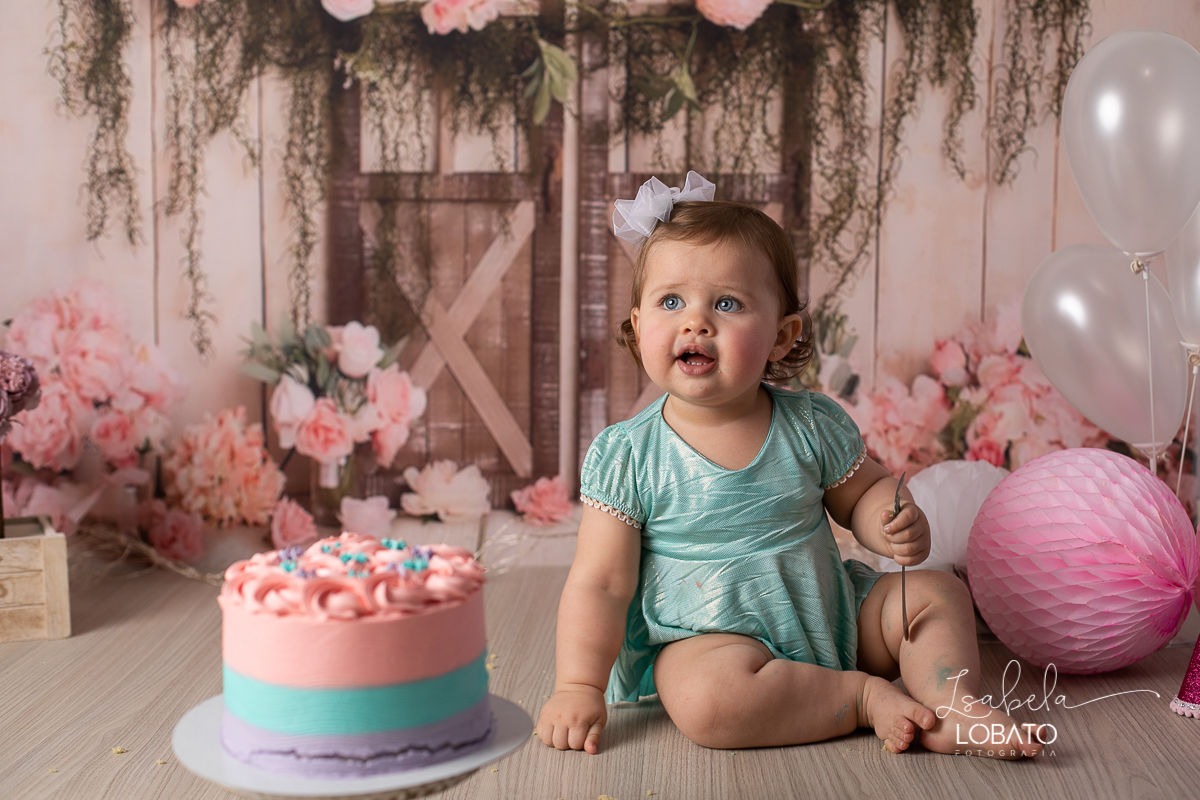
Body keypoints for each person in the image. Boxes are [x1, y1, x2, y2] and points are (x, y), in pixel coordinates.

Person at [535, 173, 1043, 759]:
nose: (695, 322)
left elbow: (864, 495)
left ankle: (951, 703)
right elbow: (600, 583)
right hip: (712, 641)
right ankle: (860, 699)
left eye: (727, 303)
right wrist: (578, 685)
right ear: (637, 324)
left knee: (936, 594)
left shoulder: (809, 424)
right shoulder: (628, 455)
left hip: (833, 616)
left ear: (782, 336)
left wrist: (890, 520)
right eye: (670, 301)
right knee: (706, 703)